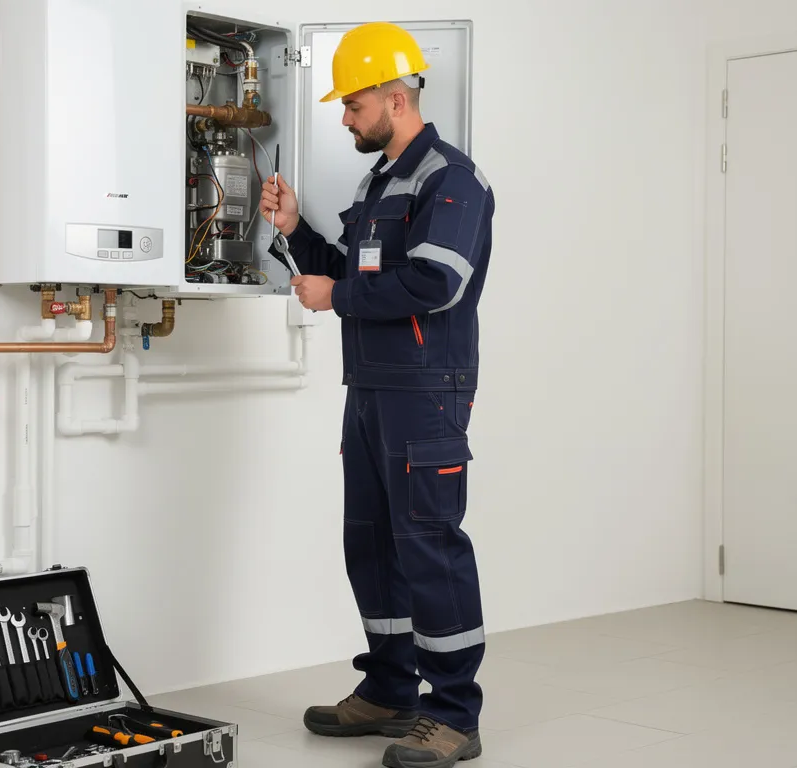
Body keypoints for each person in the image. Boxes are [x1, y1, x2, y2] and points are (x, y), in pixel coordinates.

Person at [259, 21, 495, 768]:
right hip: (369, 389)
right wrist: (296, 230)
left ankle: (454, 712)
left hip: (426, 390)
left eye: (354, 103)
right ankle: (392, 689)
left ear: (398, 98)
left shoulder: (451, 180)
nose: (344, 116)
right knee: (372, 543)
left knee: (429, 545)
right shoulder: (381, 182)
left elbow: (436, 282)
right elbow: (350, 275)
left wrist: (336, 295)